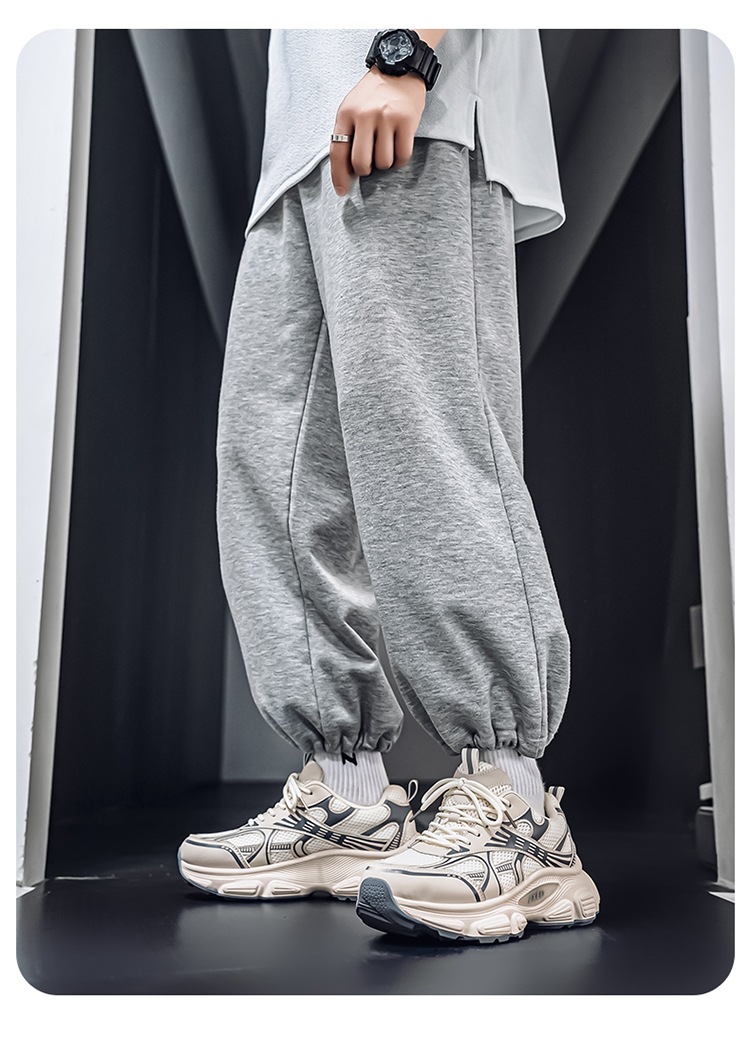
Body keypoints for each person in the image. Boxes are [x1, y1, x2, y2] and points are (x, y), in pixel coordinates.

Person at [178, 28, 599, 943]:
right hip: (300, 141)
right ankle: (349, 795)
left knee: (424, 441)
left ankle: (518, 808)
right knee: (271, 465)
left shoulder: (407, 69)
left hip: (413, 102)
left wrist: (408, 55)